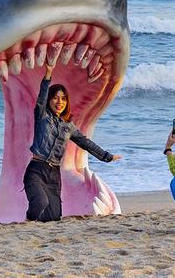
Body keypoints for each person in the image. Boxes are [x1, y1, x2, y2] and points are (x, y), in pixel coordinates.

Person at [24, 63, 122, 222]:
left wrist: (107, 156)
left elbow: (85, 143)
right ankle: (27, 220)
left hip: (54, 174)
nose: (59, 102)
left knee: (54, 218)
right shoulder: (42, 116)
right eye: (55, 98)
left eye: (63, 98)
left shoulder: (68, 126)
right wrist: (48, 75)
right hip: (36, 170)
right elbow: (41, 97)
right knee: (39, 203)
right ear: (49, 100)